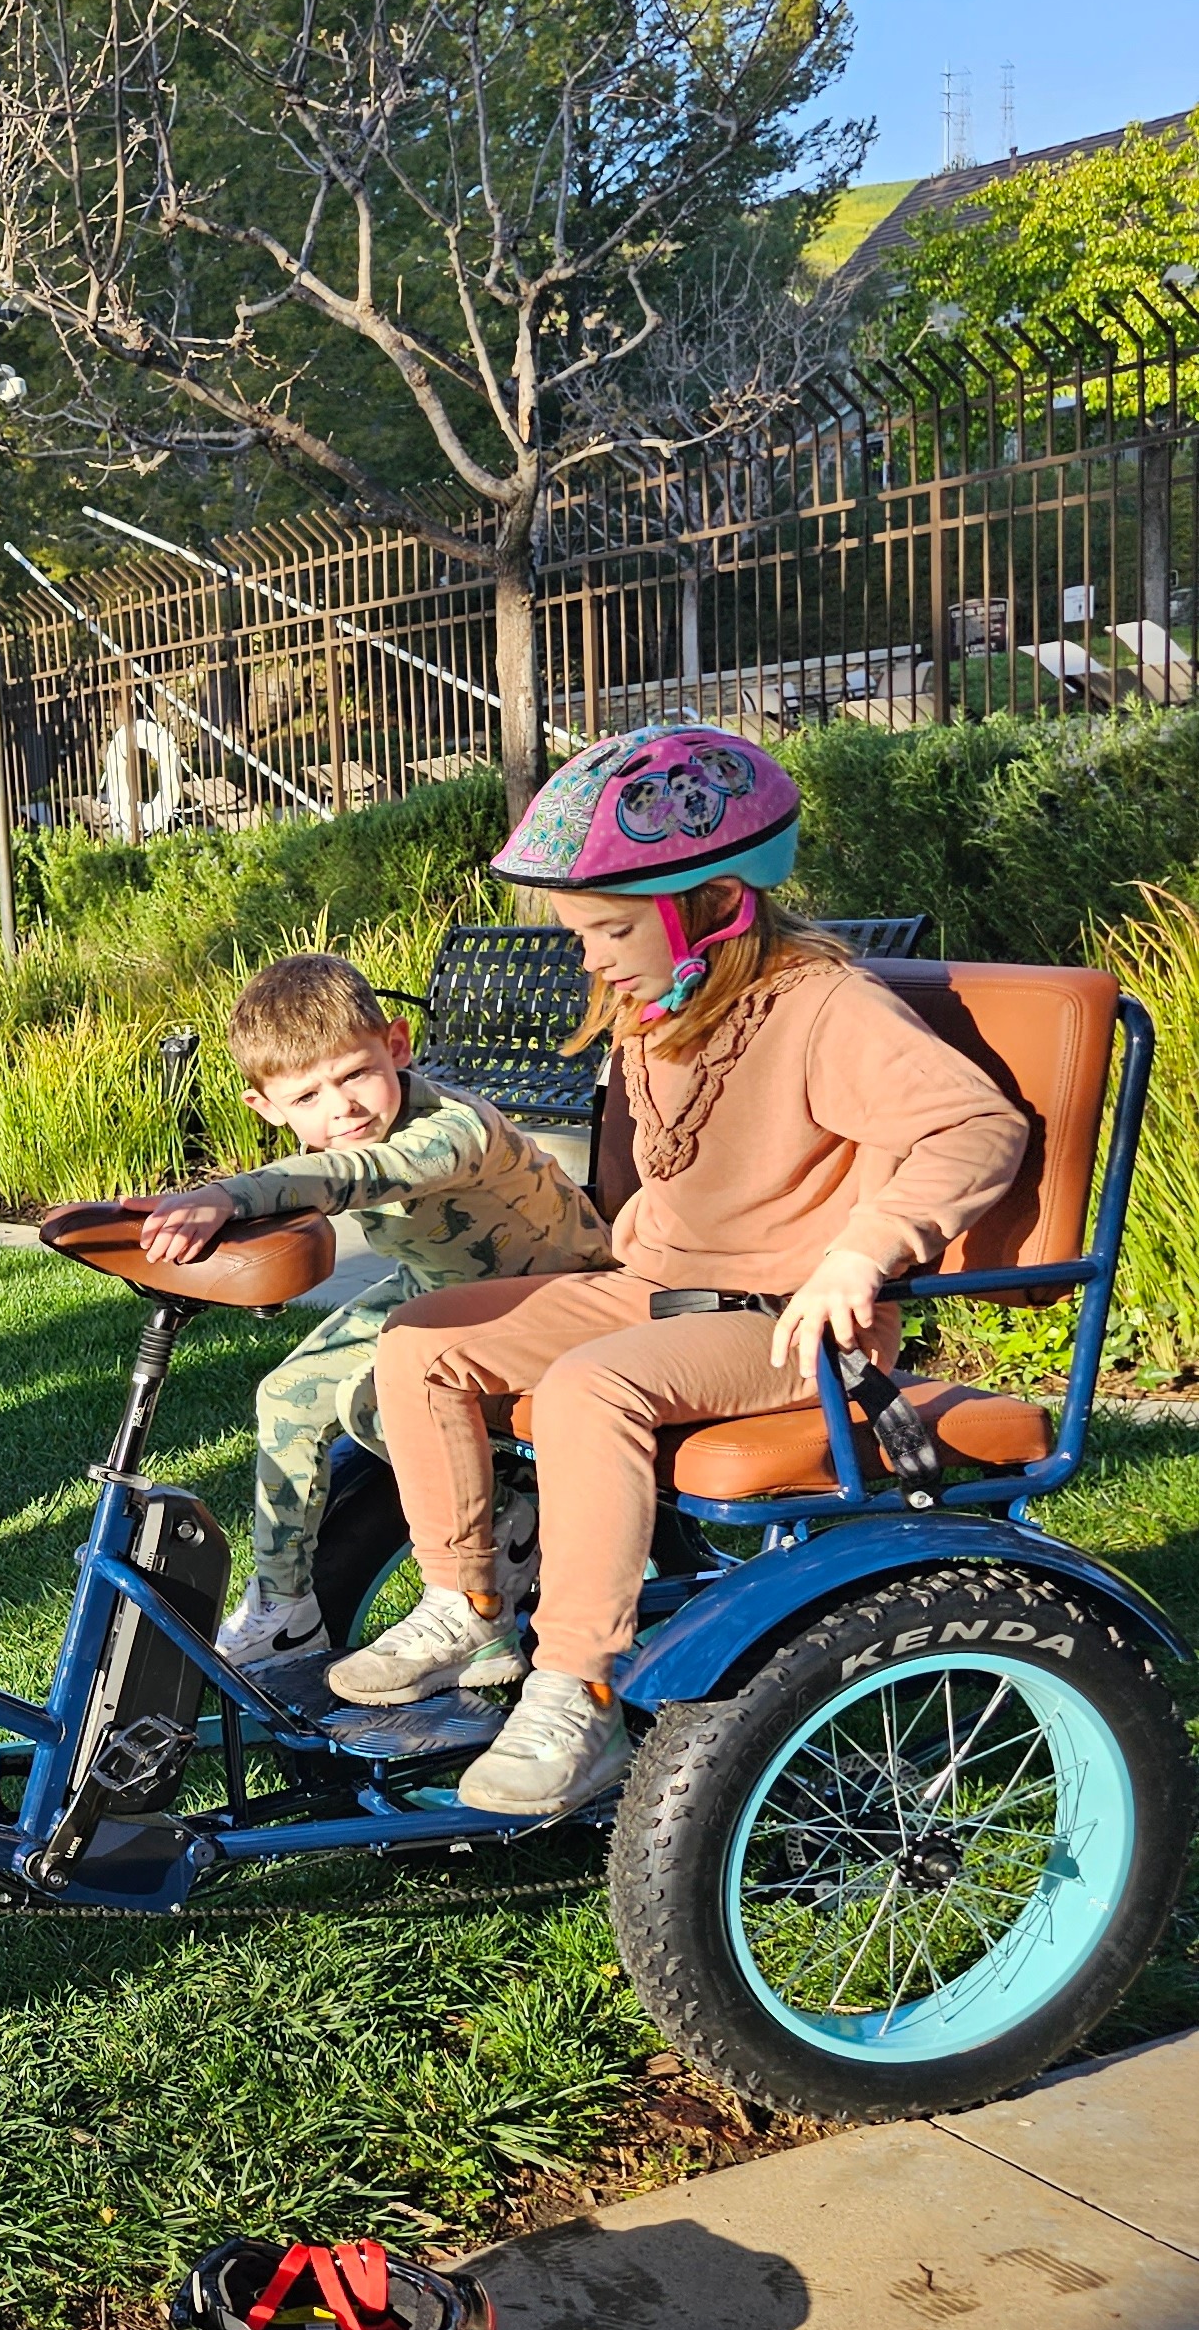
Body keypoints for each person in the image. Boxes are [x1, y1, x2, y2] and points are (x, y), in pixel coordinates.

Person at [329, 723, 1028, 1816]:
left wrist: (864, 1248)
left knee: (589, 1384)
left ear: (714, 905)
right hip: (653, 1291)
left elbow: (973, 1126)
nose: (590, 955)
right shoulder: (660, 1007)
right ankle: (466, 1600)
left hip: (786, 1326)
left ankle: (577, 1690)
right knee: (423, 1341)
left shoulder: (820, 1005)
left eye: (609, 929)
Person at [137, 951, 613, 1666]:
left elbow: (360, 1173)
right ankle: (284, 1607)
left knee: (376, 1400)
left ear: (397, 1045)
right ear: (265, 1109)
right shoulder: (349, 1122)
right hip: (443, 1290)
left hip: (556, 1298)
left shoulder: (453, 1128)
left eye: (356, 1074)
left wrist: (231, 1194)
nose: (343, 1109)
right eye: (307, 1099)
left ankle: (509, 1525)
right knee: (287, 1396)